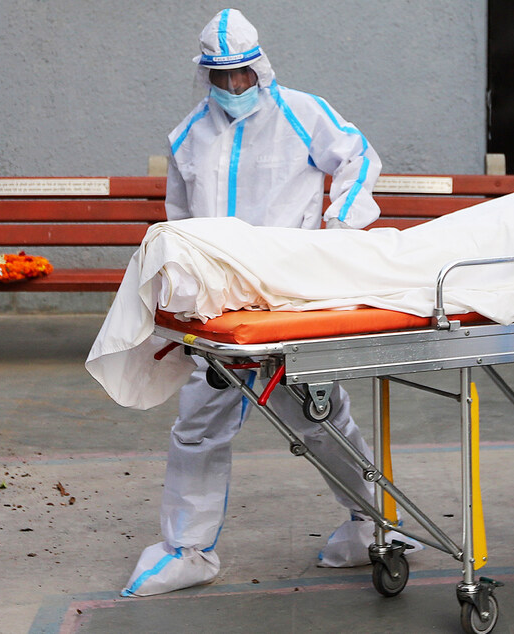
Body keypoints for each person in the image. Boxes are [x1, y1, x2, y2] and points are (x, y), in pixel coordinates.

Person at [122, 8, 396, 597]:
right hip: (220, 308)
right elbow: (179, 222)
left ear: (260, 66)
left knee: (321, 419)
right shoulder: (189, 135)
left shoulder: (301, 113)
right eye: (222, 76)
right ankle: (186, 550)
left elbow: (357, 156)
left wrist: (339, 231)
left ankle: (377, 526)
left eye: (243, 73)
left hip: (286, 296)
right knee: (197, 426)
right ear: (206, 75)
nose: (235, 87)